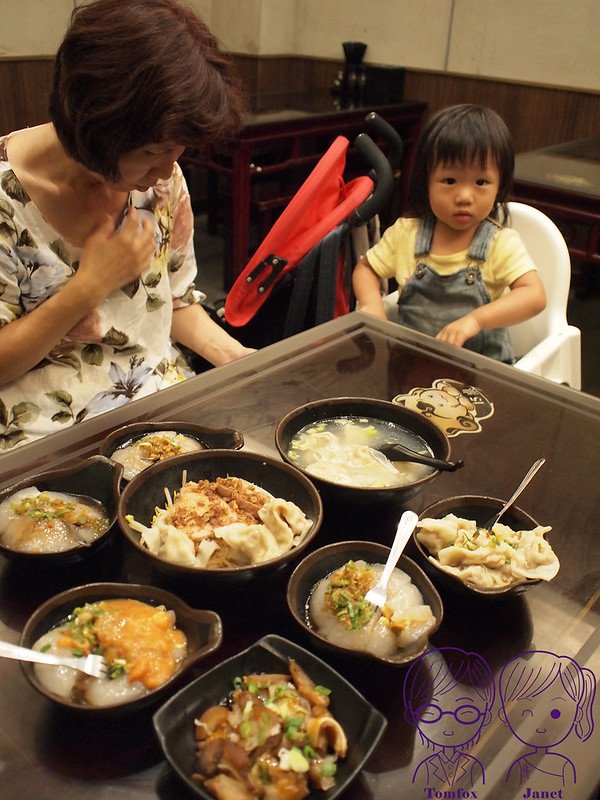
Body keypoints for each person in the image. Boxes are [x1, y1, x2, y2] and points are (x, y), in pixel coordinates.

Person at [0, 0, 255, 450]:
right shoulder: (7, 201)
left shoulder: (161, 182)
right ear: (95, 123)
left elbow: (174, 303)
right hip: (47, 441)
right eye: (152, 153)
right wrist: (89, 286)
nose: (165, 171)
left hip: (159, 410)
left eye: (175, 153)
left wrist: (238, 359)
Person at [352, 104, 546, 362]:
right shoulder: (406, 234)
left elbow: (534, 296)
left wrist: (476, 320)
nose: (464, 196)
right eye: (450, 181)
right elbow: (366, 269)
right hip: (413, 367)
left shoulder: (500, 243)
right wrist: (371, 304)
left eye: (481, 182)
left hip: (481, 377)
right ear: (426, 181)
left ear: (499, 185)